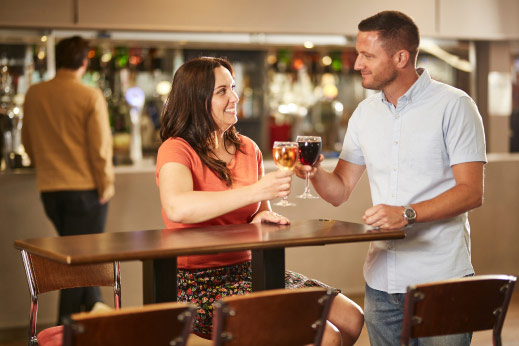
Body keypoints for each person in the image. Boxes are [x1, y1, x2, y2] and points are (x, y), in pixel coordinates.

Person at [295, 10, 486, 346]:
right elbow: (340, 190)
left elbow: (471, 192)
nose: (357, 64)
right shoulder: (364, 114)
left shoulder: (455, 106)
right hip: (381, 284)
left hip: (441, 281)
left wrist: (406, 212)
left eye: (367, 55)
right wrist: (315, 174)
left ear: (401, 57)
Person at [156, 57, 364, 345]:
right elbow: (178, 207)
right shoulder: (176, 149)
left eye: (233, 88)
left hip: (251, 270)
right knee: (327, 336)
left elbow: (259, 211)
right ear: (197, 100)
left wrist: (262, 215)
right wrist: (256, 192)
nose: (235, 97)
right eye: (222, 91)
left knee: (353, 317)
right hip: (198, 281)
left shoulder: (247, 148)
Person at [22, 36, 114, 324]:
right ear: (84, 62)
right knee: (81, 263)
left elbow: (27, 140)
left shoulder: (35, 93)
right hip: (85, 191)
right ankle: (68, 328)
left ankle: (94, 312)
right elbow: (100, 149)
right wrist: (106, 186)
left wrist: (45, 167)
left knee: (76, 258)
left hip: (50, 192)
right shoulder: (89, 95)